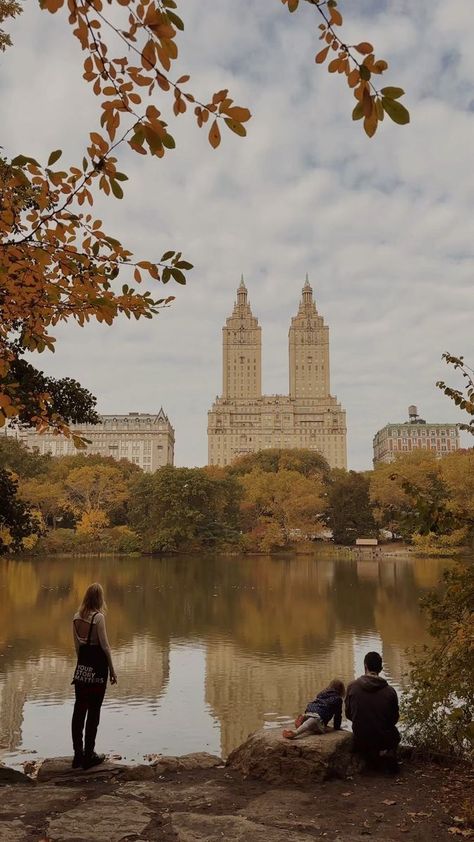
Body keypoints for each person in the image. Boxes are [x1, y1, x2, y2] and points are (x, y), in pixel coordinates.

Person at [71, 582, 117, 770]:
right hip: (98, 669)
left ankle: (77, 755)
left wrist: (81, 666)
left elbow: (77, 647)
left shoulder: (76, 618)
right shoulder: (99, 618)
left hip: (82, 668)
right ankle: (89, 754)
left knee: (79, 710)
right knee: (94, 711)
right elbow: (105, 646)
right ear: (99, 599)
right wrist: (112, 670)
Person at [345, 651, 400, 771]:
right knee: (395, 735)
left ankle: (368, 758)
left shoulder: (352, 687)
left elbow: (349, 714)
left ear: (365, 666)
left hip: (361, 738)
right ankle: (386, 757)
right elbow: (394, 718)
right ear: (381, 668)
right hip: (383, 739)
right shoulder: (390, 691)